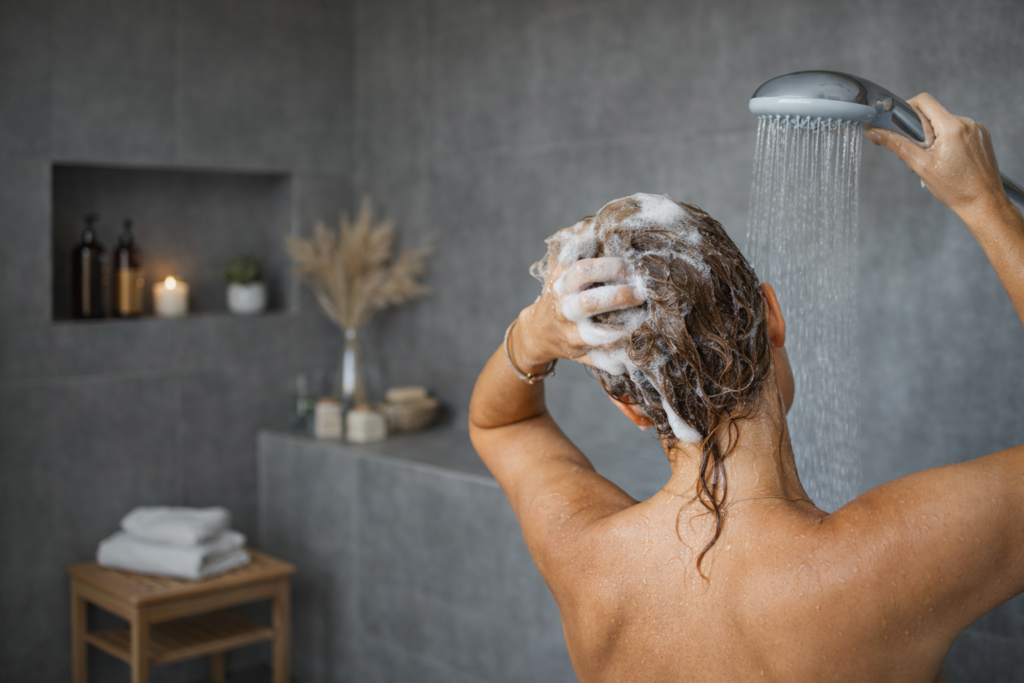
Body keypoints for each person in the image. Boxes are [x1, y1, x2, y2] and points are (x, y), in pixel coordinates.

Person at [468, 93, 1024, 683]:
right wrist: (982, 201)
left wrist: (533, 335)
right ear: (773, 315)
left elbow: (502, 423)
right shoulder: (889, 562)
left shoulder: (585, 559)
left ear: (628, 404)